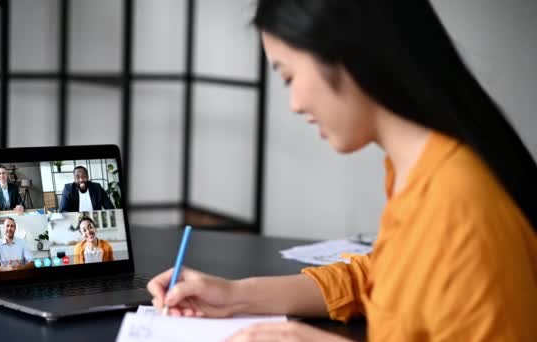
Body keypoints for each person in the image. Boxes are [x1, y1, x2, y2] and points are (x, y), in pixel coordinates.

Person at [147, 1, 537, 341]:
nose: (294, 104)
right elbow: (382, 279)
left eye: (288, 77)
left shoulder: (459, 205)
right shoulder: (418, 171)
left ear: (345, 55)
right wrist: (236, 295)